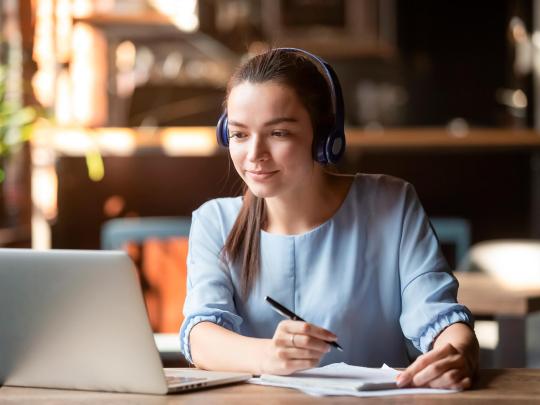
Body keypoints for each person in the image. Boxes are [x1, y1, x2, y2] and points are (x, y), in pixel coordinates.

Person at [179, 48, 479, 390]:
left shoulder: (391, 204)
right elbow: (201, 335)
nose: (254, 155)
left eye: (279, 133)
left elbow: (438, 316)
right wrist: (270, 356)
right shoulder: (214, 221)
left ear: (324, 139)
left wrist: (459, 351)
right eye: (239, 134)